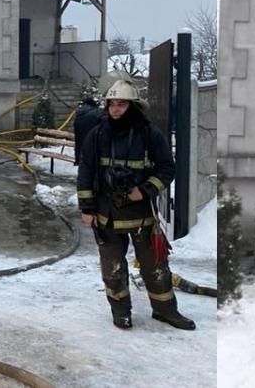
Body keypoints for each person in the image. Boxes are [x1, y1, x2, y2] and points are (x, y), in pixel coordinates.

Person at [77, 78, 195, 331]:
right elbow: (85, 172)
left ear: (133, 106)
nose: (116, 109)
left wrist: (144, 191)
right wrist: (86, 209)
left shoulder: (150, 135)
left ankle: (165, 311)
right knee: (113, 268)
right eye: (112, 104)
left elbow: (167, 169)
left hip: (142, 215)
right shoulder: (97, 136)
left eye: (122, 104)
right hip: (106, 214)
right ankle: (121, 313)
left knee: (156, 267)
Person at [72, 95, 104, 162]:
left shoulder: (78, 116)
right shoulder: (98, 113)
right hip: (95, 153)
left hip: (81, 154)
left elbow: (77, 137)